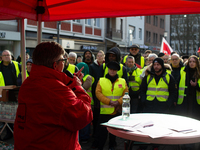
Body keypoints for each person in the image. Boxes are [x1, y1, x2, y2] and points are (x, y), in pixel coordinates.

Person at [14, 41, 93, 150]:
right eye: (63, 61)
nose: (64, 64)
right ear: (55, 64)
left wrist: (69, 83)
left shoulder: (27, 84)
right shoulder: (57, 90)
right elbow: (84, 115)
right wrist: (78, 87)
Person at [96, 61, 128, 150]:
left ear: (117, 71)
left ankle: (111, 146)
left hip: (116, 111)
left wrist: (118, 102)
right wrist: (109, 101)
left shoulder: (122, 81)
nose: (112, 71)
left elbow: (126, 94)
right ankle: (100, 147)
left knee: (113, 133)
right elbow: (98, 93)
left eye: (114, 70)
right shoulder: (101, 80)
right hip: (105, 111)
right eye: (110, 69)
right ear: (108, 70)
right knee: (102, 133)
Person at [176, 55, 200, 150]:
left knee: (195, 122)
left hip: (196, 102)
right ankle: (184, 143)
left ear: (197, 63)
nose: (192, 63)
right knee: (184, 122)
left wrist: (196, 86)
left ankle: (194, 143)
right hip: (184, 101)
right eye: (190, 61)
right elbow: (177, 85)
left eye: (194, 61)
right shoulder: (183, 71)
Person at [89, 50, 105, 144]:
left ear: (103, 57)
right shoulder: (92, 66)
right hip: (95, 92)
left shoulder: (105, 66)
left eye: (101, 56)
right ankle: (95, 134)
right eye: (98, 56)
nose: (99, 57)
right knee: (96, 115)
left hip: (104, 92)